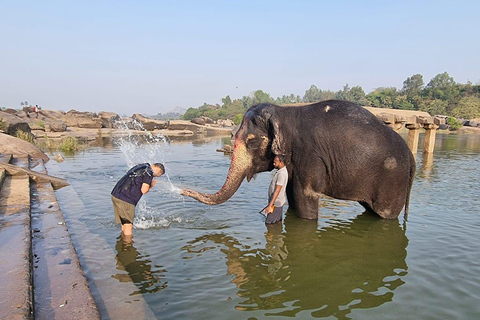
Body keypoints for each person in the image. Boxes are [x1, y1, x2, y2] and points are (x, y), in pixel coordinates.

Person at [111, 163, 165, 239]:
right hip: (126, 199)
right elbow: (144, 190)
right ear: (159, 172)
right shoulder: (149, 173)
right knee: (128, 226)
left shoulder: (142, 166)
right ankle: (128, 246)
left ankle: (122, 242)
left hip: (116, 195)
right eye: (157, 176)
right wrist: (151, 185)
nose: (155, 177)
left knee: (124, 223)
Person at [265, 155, 288, 224]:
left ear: (281, 162)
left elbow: (277, 190)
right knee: (277, 221)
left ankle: (271, 234)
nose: (273, 164)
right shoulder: (280, 172)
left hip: (276, 203)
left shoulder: (282, 174)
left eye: (275, 162)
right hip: (277, 202)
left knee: (269, 223)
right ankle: (278, 233)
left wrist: (270, 206)